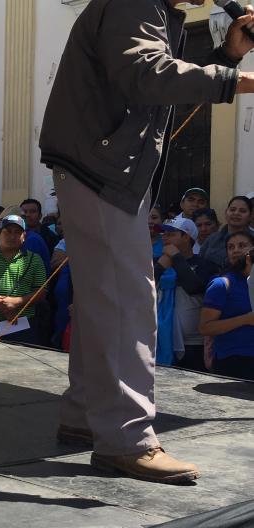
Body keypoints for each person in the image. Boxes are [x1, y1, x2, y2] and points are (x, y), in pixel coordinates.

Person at [39, 0, 254, 483]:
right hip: (101, 168)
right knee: (128, 302)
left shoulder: (149, 9)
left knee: (104, 301)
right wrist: (235, 80)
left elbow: (153, 81)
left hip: (100, 167)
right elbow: (146, 73)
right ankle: (127, 439)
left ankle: (82, 415)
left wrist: (228, 58)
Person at [154, 218, 219, 371]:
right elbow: (141, 288)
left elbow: (193, 287)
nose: (165, 237)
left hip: (193, 345)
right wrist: (160, 266)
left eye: (170, 233)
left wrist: (176, 258)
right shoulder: (157, 261)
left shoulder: (205, 265)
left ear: (186, 237)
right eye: (163, 233)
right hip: (160, 340)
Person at [0, 215, 46, 343]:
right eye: (7, 231)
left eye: (17, 232)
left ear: (24, 236)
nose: (12, 236)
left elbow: (41, 292)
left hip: (22, 328)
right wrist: (2, 304)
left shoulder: (35, 259)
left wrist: (16, 302)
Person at [199, 231, 254, 380]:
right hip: (234, 363)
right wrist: (246, 319)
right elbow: (205, 327)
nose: (235, 250)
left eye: (242, 245)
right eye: (230, 247)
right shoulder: (221, 284)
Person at [200, 196, 254, 270]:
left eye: (242, 211)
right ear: (226, 213)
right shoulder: (212, 239)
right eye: (232, 210)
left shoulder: (252, 239)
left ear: (250, 216)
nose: (236, 213)